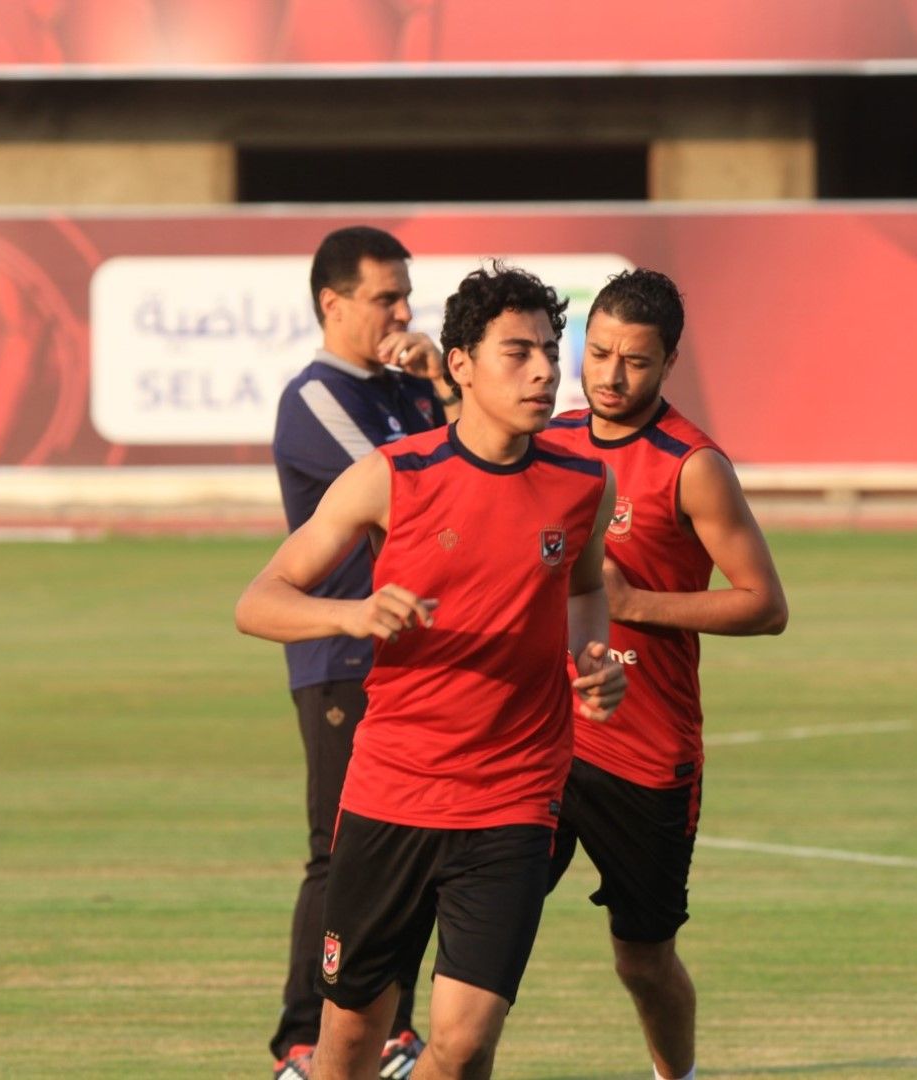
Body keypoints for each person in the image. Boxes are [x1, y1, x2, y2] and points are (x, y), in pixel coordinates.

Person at [237, 263, 627, 1080]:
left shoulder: (584, 481)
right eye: (516, 352)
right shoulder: (393, 475)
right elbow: (260, 600)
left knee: (462, 1043)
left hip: (514, 797)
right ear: (459, 364)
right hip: (391, 794)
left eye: (550, 351)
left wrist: (590, 659)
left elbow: (586, 588)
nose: (544, 370)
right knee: (347, 1042)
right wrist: (348, 613)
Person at [538, 269, 788, 1080]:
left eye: (635, 362)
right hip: (538, 745)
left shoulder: (692, 464)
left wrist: (634, 602)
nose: (611, 376)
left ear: (668, 361)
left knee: (642, 963)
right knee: (480, 934)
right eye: (599, 353)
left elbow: (764, 604)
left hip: (645, 757)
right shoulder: (548, 446)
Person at [268, 225, 454, 1079]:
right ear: (331, 304)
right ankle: (304, 1043)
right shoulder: (315, 398)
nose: (404, 313)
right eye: (386, 296)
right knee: (339, 855)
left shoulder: (410, 391)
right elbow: (416, 495)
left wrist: (445, 388)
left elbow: (473, 475)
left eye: (406, 294)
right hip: (341, 659)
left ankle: (391, 1035)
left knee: (415, 852)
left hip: (417, 659)